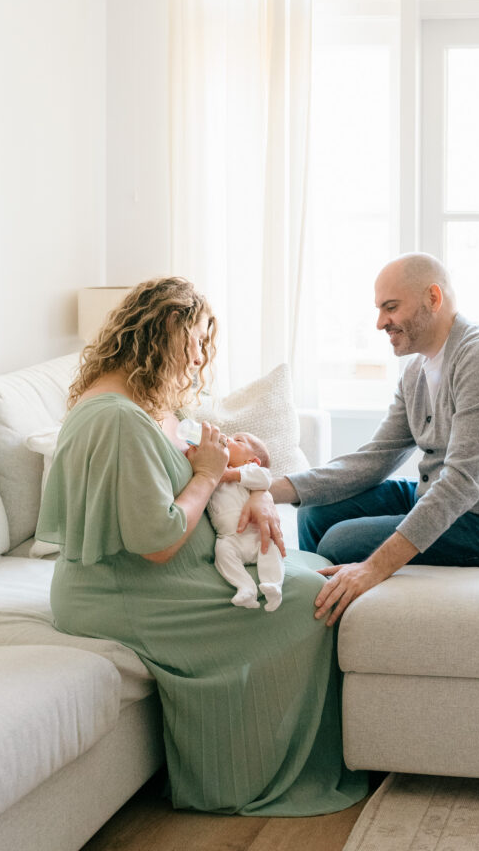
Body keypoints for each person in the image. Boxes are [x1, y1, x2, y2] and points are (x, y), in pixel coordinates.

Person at [35, 277, 367, 816]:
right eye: (196, 340)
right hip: (130, 592)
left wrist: (255, 494)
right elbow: (159, 543)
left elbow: (217, 460)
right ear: (165, 331)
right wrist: (211, 478)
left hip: (160, 577)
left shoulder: (146, 404)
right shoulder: (117, 419)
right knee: (307, 598)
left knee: (310, 566)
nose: (199, 357)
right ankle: (250, 771)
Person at [269, 252, 479, 627]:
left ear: (433, 298)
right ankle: (322, 624)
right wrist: (266, 490)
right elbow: (375, 458)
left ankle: (336, 612)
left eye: (390, 307)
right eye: (379, 309)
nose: (380, 323)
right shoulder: (415, 371)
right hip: (448, 500)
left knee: (339, 543)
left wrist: (371, 569)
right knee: (316, 510)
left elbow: (462, 483)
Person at [200, 431, 285, 611]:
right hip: (229, 537)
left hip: (255, 535)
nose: (228, 439)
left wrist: (232, 474)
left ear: (252, 461)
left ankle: (273, 585)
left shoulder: (250, 472)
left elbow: (265, 479)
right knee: (222, 553)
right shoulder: (214, 471)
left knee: (270, 549)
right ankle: (245, 587)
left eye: (237, 440)